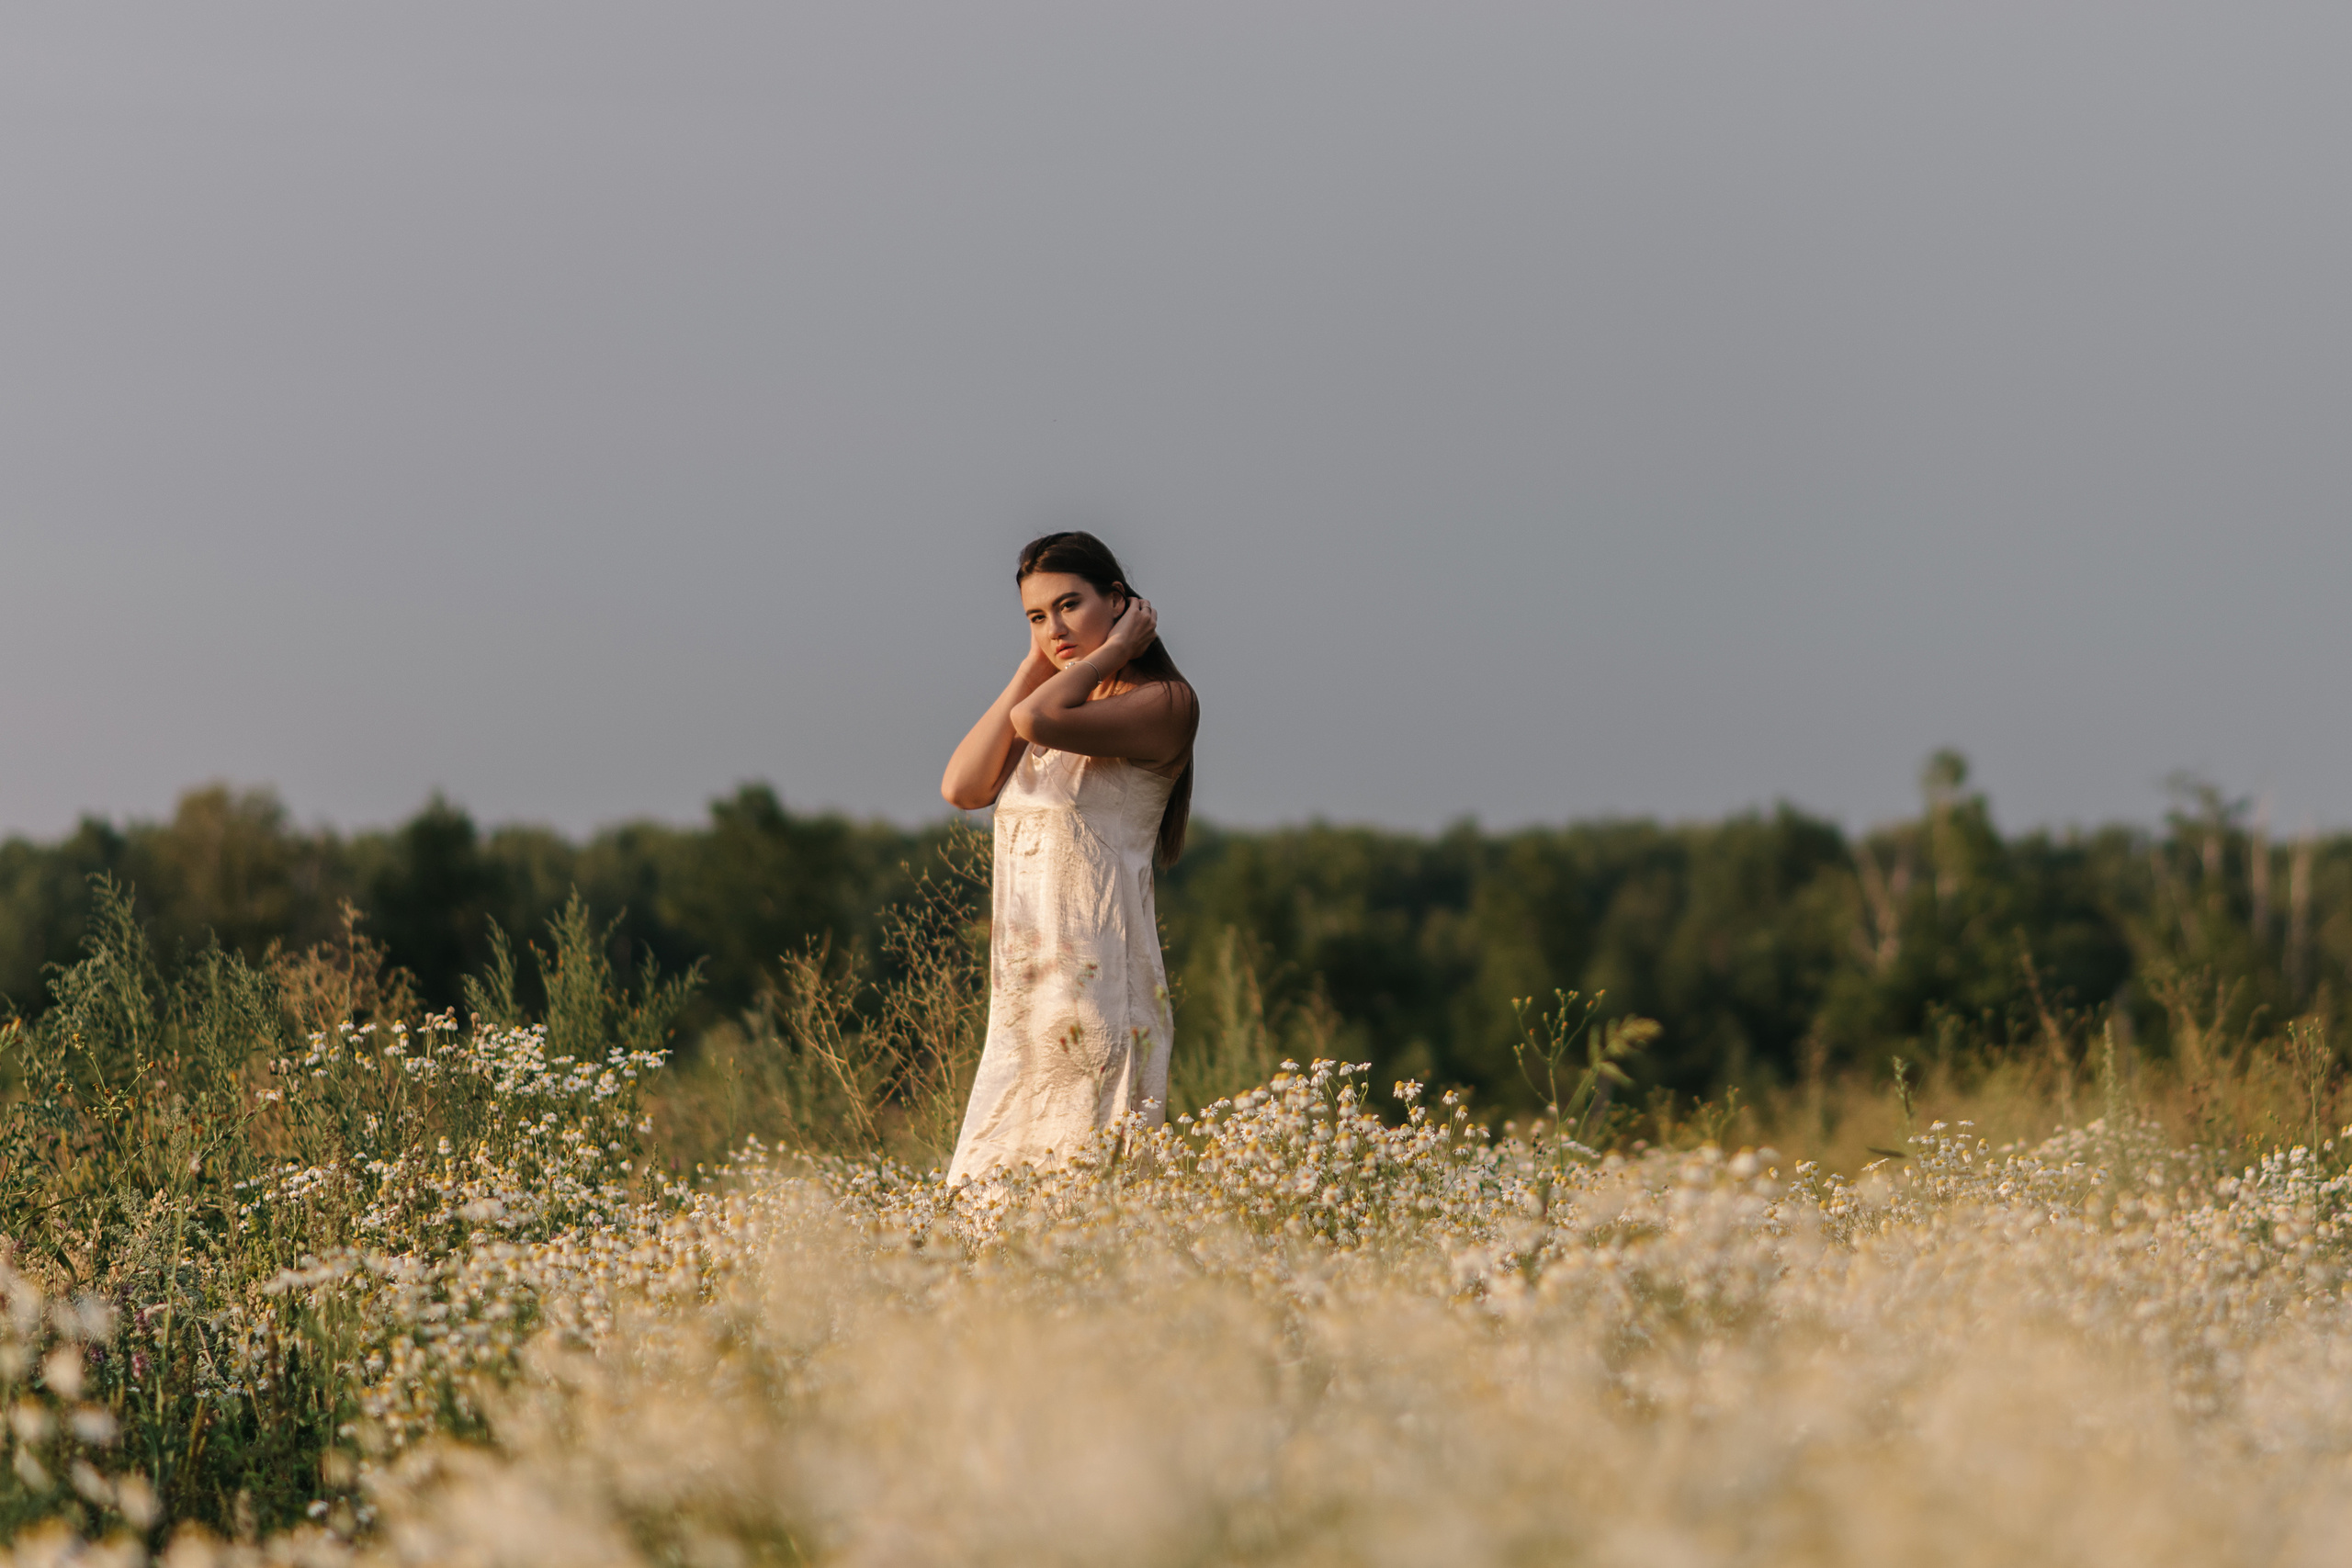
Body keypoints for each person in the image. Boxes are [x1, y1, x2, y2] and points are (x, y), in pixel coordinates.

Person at [939, 531, 1200, 1184]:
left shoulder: (1165, 704)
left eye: (1069, 605)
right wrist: (1041, 657)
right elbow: (962, 787)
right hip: (1026, 1010)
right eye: (1035, 616)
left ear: (1119, 600)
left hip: (1100, 1004)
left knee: (1079, 1223)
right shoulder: (1058, 698)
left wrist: (1112, 652)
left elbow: (1035, 722)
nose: (1054, 628)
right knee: (982, 1216)